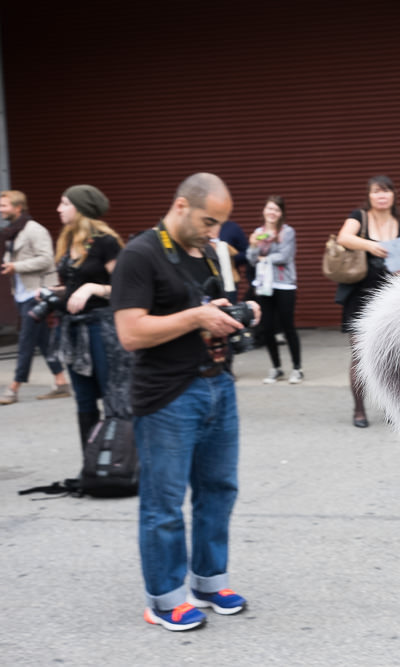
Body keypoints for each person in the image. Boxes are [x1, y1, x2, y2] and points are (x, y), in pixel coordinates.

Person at [112, 173, 258, 631]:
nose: (214, 231)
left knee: (219, 490)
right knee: (165, 502)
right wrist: (196, 316)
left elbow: (213, 306)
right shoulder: (140, 253)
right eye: (207, 220)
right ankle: (164, 598)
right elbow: (131, 332)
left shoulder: (211, 253)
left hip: (218, 385)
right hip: (168, 395)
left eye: (219, 223)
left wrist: (237, 313)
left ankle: (210, 580)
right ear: (180, 205)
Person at [52, 185, 131, 452]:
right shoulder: (69, 240)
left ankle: (120, 461)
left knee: (114, 396)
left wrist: (93, 288)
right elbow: (78, 283)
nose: (58, 209)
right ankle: (92, 464)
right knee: (84, 400)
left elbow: (125, 288)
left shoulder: (105, 242)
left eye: (64, 203)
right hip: (73, 330)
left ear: (80, 207)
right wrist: (58, 294)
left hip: (102, 330)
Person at [336, 175, 400, 428]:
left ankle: (391, 408)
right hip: (359, 297)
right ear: (369, 196)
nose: (381, 196)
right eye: (376, 192)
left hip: (388, 299)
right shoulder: (359, 216)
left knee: (391, 357)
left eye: (386, 191)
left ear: (393, 195)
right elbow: (343, 238)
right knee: (359, 357)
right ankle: (359, 410)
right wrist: (372, 246)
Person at [0, 190, 70, 404]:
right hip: (21, 293)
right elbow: (12, 256)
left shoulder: (35, 230)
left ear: (18, 207)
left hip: (38, 293)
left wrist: (16, 266)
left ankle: (13, 388)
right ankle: (61, 383)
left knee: (26, 340)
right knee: (43, 340)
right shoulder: (12, 232)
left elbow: (47, 259)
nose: (1, 210)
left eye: (4, 206)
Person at [247, 196, 303, 384]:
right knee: (267, 327)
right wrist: (254, 245)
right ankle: (276, 368)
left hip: (284, 283)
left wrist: (265, 258)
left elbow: (285, 256)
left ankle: (297, 368)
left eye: (276, 210)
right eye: (269, 208)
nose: (272, 212)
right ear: (264, 210)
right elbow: (251, 258)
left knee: (288, 326)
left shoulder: (287, 232)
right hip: (264, 284)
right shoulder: (258, 232)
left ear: (281, 214)